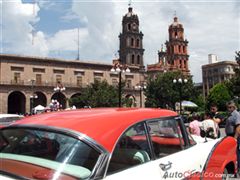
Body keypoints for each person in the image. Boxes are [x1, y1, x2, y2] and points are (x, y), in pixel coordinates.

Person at [225, 101, 240, 173]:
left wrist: (235, 138)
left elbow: (238, 127)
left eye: (230, 107)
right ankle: (233, 167)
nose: (229, 108)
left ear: (234, 107)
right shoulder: (230, 115)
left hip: (234, 136)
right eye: (228, 107)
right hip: (229, 136)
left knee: (236, 152)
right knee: (231, 152)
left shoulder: (236, 114)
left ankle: (238, 168)